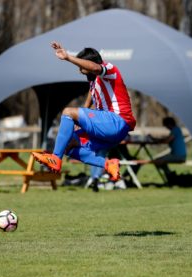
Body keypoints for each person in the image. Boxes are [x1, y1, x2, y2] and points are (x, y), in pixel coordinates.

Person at [32, 41, 136, 182]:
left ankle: (55, 159)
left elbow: (94, 67)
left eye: (82, 65)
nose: (79, 69)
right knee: (68, 145)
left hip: (116, 121)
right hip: (113, 131)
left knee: (68, 111)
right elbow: (91, 93)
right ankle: (108, 164)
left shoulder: (110, 69)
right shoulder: (95, 81)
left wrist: (68, 57)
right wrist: (82, 116)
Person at [148, 117, 187, 183]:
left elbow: (167, 140)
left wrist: (156, 140)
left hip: (178, 156)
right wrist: (156, 139)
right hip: (177, 155)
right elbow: (167, 139)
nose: (166, 127)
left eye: (166, 125)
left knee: (158, 161)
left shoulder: (175, 130)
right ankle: (171, 176)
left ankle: (171, 177)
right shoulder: (176, 130)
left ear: (169, 124)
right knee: (158, 161)